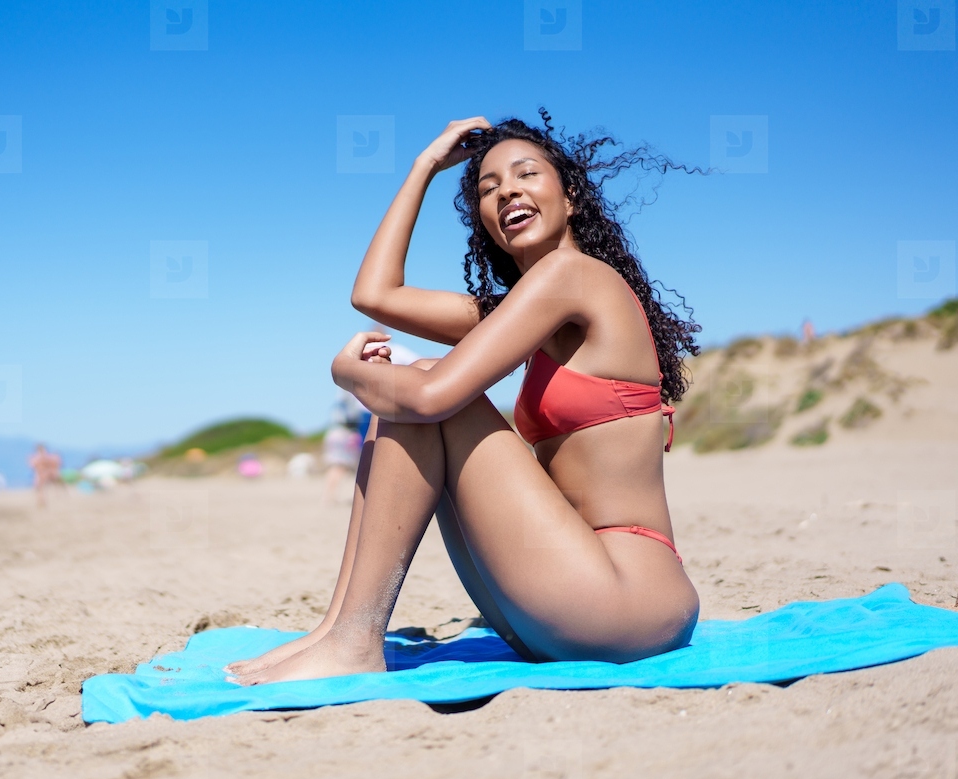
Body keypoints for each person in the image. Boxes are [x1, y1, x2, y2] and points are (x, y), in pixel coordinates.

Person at [228, 112, 703, 685]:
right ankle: (339, 629)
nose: (507, 191)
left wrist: (349, 375)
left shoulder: (574, 275)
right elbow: (374, 294)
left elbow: (430, 396)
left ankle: (354, 639)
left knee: (423, 385)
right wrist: (424, 167)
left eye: (527, 174)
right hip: (565, 594)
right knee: (414, 387)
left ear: (571, 196)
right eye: (488, 187)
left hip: (630, 599)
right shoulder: (526, 306)